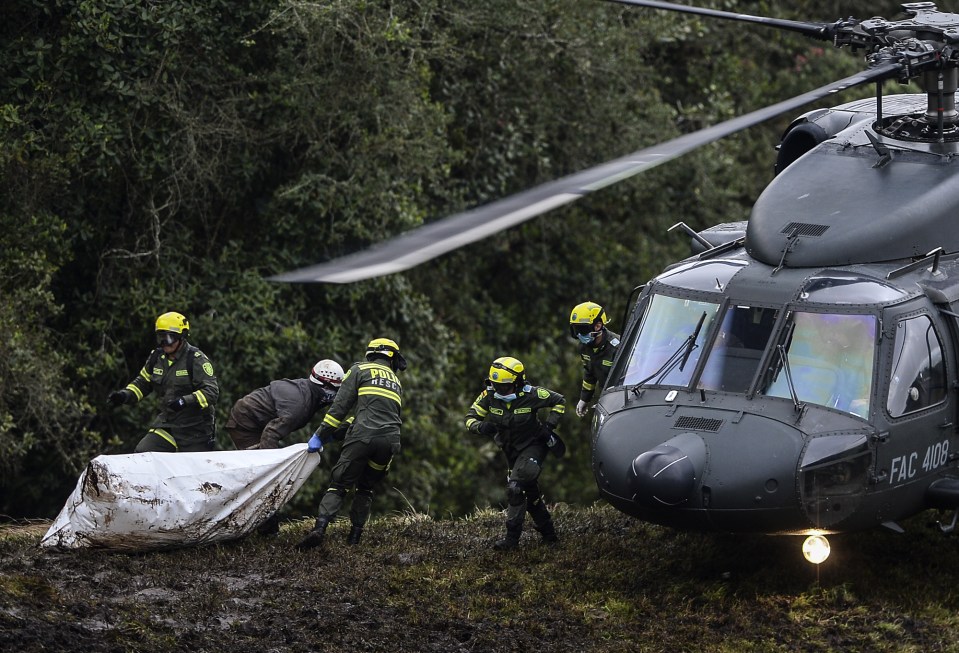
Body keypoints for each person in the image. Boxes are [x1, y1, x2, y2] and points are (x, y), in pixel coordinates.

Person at [296, 338, 407, 550]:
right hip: (390, 442)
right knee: (365, 488)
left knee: (339, 484)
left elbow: (340, 407)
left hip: (362, 438)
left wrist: (321, 434)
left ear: (372, 353)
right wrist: (337, 434)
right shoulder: (395, 380)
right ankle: (354, 539)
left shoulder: (359, 369)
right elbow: (375, 416)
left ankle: (319, 529)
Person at [465, 356, 566, 550]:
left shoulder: (533, 394)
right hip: (510, 449)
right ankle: (549, 534)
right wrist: (481, 427)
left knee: (515, 488)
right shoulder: (489, 395)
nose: (499, 390)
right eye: (495, 385)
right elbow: (469, 418)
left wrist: (550, 425)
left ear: (518, 382)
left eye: (504, 386)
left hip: (534, 445)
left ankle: (512, 540)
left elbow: (559, 401)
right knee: (530, 492)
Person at [108, 311, 219, 453]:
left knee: (192, 471)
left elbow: (211, 392)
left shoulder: (196, 359)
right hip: (168, 423)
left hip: (195, 430)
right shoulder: (156, 358)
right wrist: (124, 395)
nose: (164, 343)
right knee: (143, 452)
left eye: (169, 337)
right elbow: (142, 383)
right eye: (161, 337)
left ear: (182, 337)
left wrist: (184, 401)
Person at [225, 359, 345, 450]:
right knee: (256, 466)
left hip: (256, 416)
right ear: (324, 387)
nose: (337, 394)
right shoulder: (299, 406)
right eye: (336, 390)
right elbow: (271, 433)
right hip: (245, 422)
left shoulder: (310, 389)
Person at [568, 301, 620, 417]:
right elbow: (589, 372)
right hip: (606, 398)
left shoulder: (617, 348)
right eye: (576, 330)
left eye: (582, 329)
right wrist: (584, 399)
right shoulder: (583, 347)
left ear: (598, 326)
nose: (580, 334)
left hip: (621, 400)